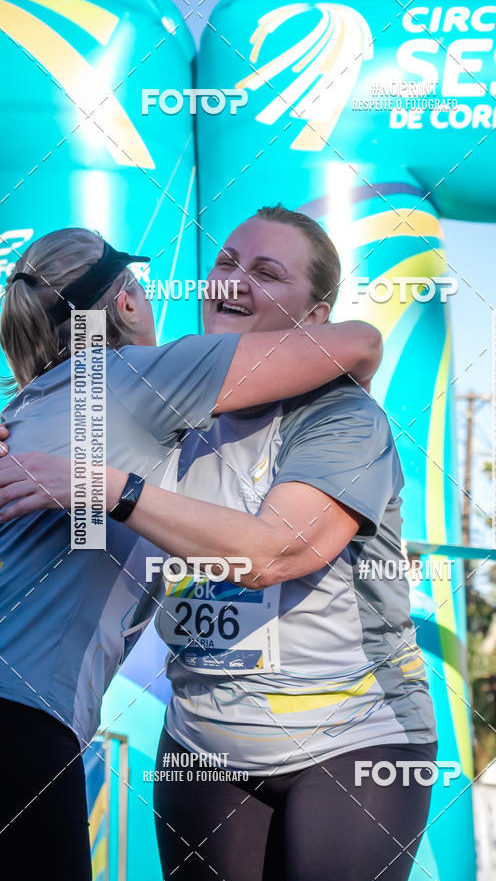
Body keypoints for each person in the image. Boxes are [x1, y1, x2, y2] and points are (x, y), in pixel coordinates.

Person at [0, 208, 438, 881]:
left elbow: (276, 554)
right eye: (226, 263)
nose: (233, 280)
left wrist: (110, 487)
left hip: (351, 736)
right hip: (205, 743)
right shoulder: (162, 405)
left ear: (314, 316)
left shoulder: (344, 417)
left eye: (266, 272)